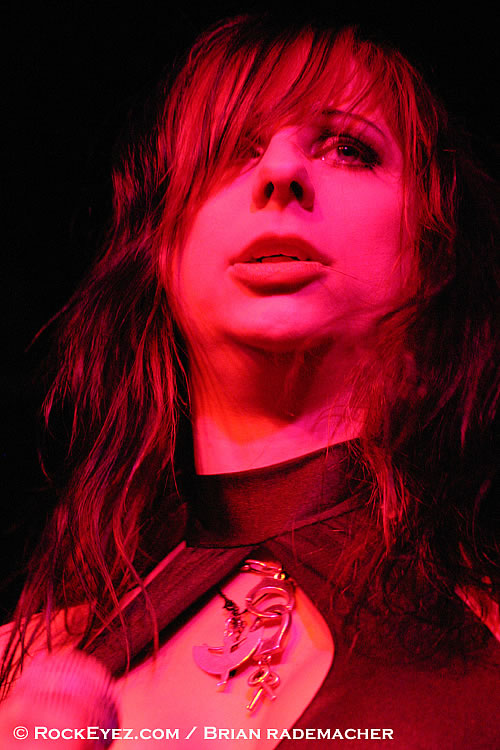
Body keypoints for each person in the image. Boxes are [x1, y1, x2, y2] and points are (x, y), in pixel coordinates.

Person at [1, 12, 499, 748]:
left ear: (436, 253)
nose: (280, 172)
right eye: (230, 148)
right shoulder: (27, 665)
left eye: (349, 148)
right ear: (160, 251)